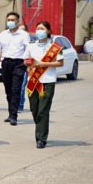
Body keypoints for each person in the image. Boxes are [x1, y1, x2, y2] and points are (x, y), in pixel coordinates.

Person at [23, 21, 64, 149]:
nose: (39, 31)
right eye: (38, 28)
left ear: (48, 31)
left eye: (42, 28)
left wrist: (44, 64)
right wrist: (29, 66)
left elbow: (60, 63)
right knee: (34, 110)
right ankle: (41, 127)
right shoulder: (31, 46)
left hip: (47, 81)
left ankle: (41, 139)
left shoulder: (55, 47)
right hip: (33, 81)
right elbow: (26, 61)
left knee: (43, 111)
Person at [0, 12, 30, 126]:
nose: (10, 22)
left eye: (12, 20)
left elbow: (27, 49)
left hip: (19, 63)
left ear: (17, 21)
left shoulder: (23, 35)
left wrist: (27, 64)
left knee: (16, 89)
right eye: (8, 20)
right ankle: (11, 112)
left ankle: (14, 115)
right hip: (6, 63)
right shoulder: (3, 34)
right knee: (8, 90)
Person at [18, 24, 29, 113]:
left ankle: (20, 105)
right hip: (15, 67)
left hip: (24, 66)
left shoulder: (29, 43)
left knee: (21, 87)